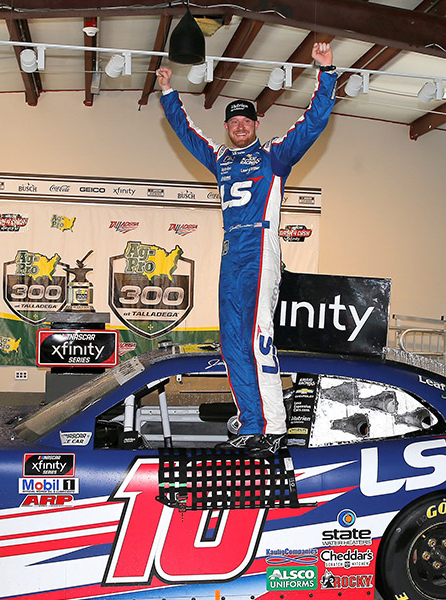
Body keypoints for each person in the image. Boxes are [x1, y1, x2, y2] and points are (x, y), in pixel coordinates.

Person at [157, 42, 337, 456]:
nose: (240, 126)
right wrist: (168, 93)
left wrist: (326, 74)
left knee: (257, 338)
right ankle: (252, 421)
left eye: (246, 120)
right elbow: (187, 134)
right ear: (227, 127)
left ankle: (275, 426)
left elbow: (313, 122)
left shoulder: (274, 156)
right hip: (230, 248)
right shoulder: (220, 158)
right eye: (234, 121)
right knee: (232, 342)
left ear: (257, 123)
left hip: (260, 245)